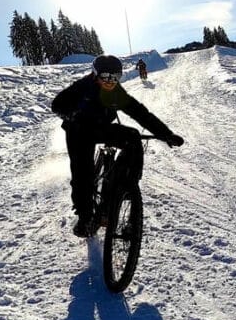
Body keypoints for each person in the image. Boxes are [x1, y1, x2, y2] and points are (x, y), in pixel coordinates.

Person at [51, 54, 184, 237]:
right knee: (83, 172)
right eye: (106, 77)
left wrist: (166, 134)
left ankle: (127, 184)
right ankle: (85, 217)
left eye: (116, 77)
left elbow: (140, 113)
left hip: (102, 128)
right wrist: (72, 115)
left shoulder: (115, 92)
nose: (110, 81)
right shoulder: (82, 86)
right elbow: (57, 104)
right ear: (95, 74)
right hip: (79, 131)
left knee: (133, 137)